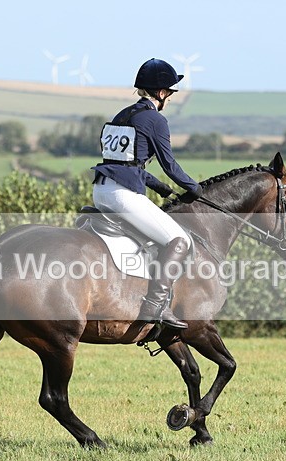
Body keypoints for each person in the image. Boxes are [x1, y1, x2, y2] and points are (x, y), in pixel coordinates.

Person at [91, 58, 203, 330]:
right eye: (170, 92)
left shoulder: (122, 115)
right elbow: (170, 165)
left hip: (101, 190)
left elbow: (124, 163)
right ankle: (155, 306)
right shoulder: (155, 119)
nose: (170, 98)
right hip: (123, 195)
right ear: (161, 92)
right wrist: (194, 188)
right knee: (178, 240)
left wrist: (160, 188)